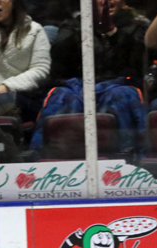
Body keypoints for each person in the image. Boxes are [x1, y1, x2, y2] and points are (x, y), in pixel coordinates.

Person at [30, 0, 148, 156]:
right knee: (61, 96)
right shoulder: (72, 25)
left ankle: (127, 154)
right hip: (77, 85)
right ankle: (49, 156)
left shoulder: (137, 26)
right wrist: (84, 30)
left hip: (119, 83)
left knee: (122, 95)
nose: (107, 2)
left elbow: (139, 63)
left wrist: (112, 33)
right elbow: (58, 63)